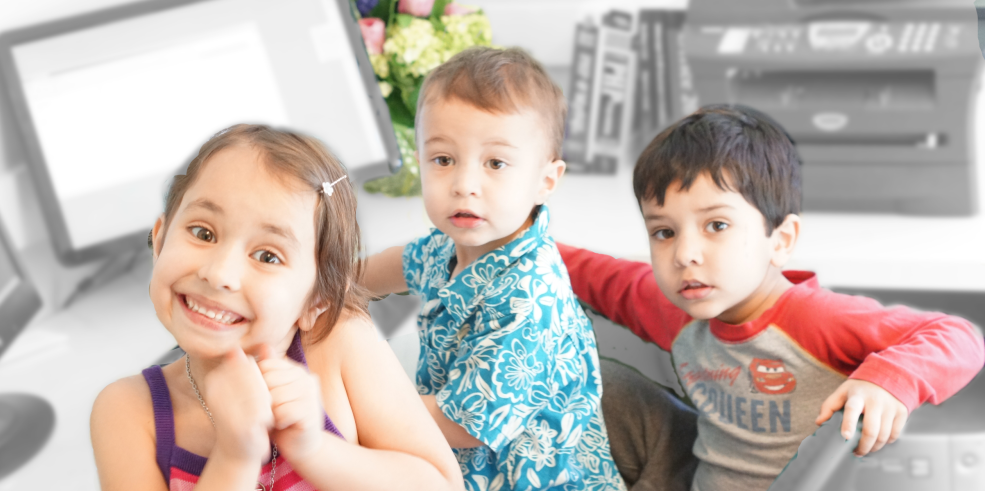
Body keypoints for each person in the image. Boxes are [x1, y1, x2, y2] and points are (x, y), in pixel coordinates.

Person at [557, 104, 985, 491]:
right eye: (664, 232)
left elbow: (957, 335)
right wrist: (522, 240)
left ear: (781, 240)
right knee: (599, 381)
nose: (685, 254)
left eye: (717, 226)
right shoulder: (682, 306)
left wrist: (889, 381)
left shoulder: (815, 319)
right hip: (695, 474)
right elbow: (603, 277)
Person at [90, 125, 464, 491]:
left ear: (317, 300)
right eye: (203, 233)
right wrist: (235, 456)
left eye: (267, 256)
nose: (219, 273)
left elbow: (442, 484)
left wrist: (314, 449)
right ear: (159, 240)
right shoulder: (129, 412)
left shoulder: (339, 344)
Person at [362, 47, 626, 490]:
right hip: (461, 456)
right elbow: (392, 265)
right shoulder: (452, 245)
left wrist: (356, 398)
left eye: (496, 164)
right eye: (443, 160)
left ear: (546, 181)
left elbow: (463, 426)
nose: (465, 185)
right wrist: (319, 285)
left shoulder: (528, 296)